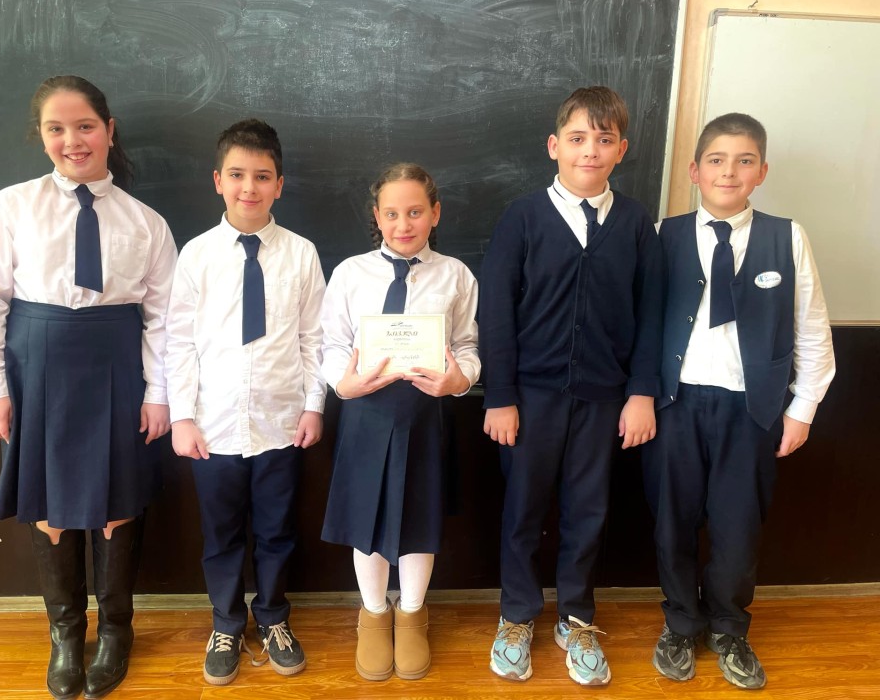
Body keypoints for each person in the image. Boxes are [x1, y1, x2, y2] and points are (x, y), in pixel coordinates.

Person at [0, 75, 178, 700]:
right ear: (41, 136)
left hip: (117, 366)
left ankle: (116, 630)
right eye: (56, 128)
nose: (72, 140)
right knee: (50, 504)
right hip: (37, 366)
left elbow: (165, 319)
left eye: (85, 126)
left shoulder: (147, 222)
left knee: (117, 501)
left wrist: (158, 393)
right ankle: (65, 632)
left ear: (109, 130)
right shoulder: (8, 208)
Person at [643, 113, 835, 690]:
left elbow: (812, 331)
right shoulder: (662, 234)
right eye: (717, 160)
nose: (729, 171)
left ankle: (729, 627)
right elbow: (640, 327)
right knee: (671, 521)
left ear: (762, 172)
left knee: (738, 526)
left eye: (744, 160)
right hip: (674, 405)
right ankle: (681, 622)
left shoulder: (787, 237)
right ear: (694, 171)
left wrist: (801, 410)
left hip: (752, 411)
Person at [479, 86, 663, 686]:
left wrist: (641, 392)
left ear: (621, 150)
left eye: (604, 140)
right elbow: (496, 313)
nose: (591, 150)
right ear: (554, 146)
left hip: (604, 396)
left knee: (589, 509)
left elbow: (652, 312)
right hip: (530, 397)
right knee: (523, 509)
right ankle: (517, 614)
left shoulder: (635, 223)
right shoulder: (523, 217)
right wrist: (500, 396)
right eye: (579, 138)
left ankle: (577, 617)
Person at [164, 119, 325, 685]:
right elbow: (179, 342)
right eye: (237, 175)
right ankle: (227, 622)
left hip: (281, 422)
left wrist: (314, 405)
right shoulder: (197, 255)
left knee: (278, 530)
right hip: (213, 426)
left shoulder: (302, 254)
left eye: (261, 176)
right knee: (222, 534)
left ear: (279, 184)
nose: (248, 187)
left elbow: (314, 338)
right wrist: (182, 416)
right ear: (218, 181)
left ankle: (274, 616)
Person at [320, 162, 480, 681]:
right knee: (365, 520)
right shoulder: (350, 273)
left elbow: (467, 346)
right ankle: (373, 614)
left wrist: (460, 379)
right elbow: (332, 344)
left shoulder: (456, 275)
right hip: (365, 414)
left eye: (414, 212)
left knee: (419, 519)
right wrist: (342, 384)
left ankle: (412, 614)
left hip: (425, 415)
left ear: (435, 213)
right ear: (377, 216)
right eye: (391, 213)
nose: (403, 224)